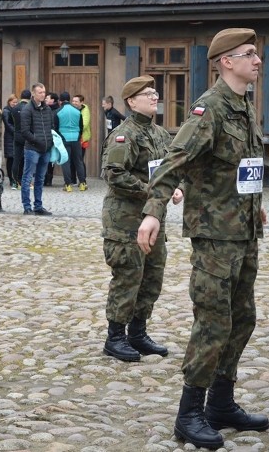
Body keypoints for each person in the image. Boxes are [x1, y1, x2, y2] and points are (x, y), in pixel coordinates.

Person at [138, 28, 269, 449]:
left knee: (242, 317)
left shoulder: (244, 107)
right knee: (213, 321)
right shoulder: (208, 109)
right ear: (226, 62)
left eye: (258, 53)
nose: (258, 60)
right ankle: (189, 413)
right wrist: (153, 212)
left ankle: (222, 403)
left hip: (243, 230)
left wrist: (255, 204)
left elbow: (242, 167)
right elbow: (172, 162)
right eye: (249, 54)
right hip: (214, 234)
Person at [102, 76, 182, 362]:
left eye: (155, 92)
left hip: (154, 218)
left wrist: (176, 187)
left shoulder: (160, 133)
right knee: (128, 275)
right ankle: (115, 337)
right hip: (126, 220)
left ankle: (138, 332)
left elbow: (171, 167)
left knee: (152, 276)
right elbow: (113, 173)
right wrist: (151, 191)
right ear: (131, 101)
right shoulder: (125, 134)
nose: (154, 97)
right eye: (147, 94)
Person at [20, 83, 54, 216]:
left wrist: (50, 141)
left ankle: (38, 206)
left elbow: (51, 127)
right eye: (40, 92)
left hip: (46, 149)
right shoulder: (27, 110)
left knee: (40, 178)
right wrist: (37, 140)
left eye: (44, 92)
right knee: (28, 178)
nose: (43, 94)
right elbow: (24, 131)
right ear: (33, 94)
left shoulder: (47, 109)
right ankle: (27, 206)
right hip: (32, 149)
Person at [56, 91, 86, 192]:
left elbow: (55, 127)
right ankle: (82, 183)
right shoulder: (78, 111)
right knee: (79, 161)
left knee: (66, 162)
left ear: (60, 101)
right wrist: (78, 136)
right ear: (69, 100)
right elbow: (81, 126)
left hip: (64, 138)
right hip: (76, 138)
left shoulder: (58, 111)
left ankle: (68, 185)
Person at [74, 93, 91, 187]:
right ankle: (77, 179)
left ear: (82, 102)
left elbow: (84, 124)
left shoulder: (85, 110)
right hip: (75, 137)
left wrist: (74, 129)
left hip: (82, 138)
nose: (74, 103)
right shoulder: (74, 109)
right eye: (73, 101)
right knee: (76, 159)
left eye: (76, 101)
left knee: (79, 159)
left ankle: (83, 179)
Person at [43, 92, 60, 186]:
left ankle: (48, 179)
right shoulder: (45, 109)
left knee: (51, 158)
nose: (45, 99)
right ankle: (45, 178)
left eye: (47, 98)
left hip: (52, 137)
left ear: (52, 100)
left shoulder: (56, 111)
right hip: (45, 136)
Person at [2, 94, 19, 188]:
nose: (15, 104)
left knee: (15, 158)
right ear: (9, 102)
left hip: (15, 136)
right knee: (10, 159)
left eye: (16, 102)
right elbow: (8, 125)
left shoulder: (16, 110)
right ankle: (11, 178)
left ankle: (15, 178)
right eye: (13, 102)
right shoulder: (6, 111)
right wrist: (16, 132)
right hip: (10, 137)